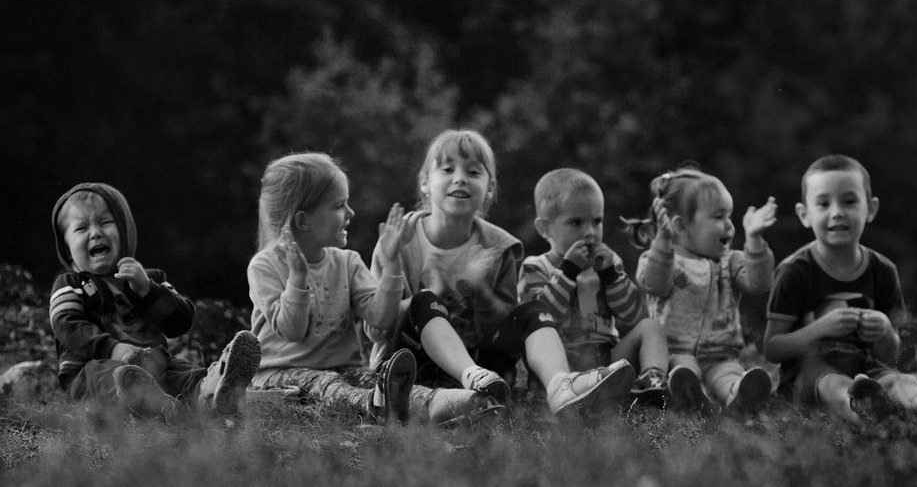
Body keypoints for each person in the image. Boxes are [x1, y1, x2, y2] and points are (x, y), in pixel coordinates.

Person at [367, 129, 635, 417]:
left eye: (473, 172)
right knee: (424, 298)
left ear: (490, 187)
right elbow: (377, 328)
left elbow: (505, 328)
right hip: (412, 360)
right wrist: (438, 287)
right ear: (424, 182)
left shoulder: (499, 247)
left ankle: (560, 385)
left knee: (532, 310)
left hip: (484, 367)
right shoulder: (399, 239)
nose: (460, 178)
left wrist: (481, 292)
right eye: (447, 169)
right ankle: (466, 383)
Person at [247, 152, 498, 427]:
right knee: (328, 385)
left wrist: (392, 262)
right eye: (339, 206)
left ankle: (445, 402)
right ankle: (375, 407)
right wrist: (297, 278)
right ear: (303, 221)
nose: (350, 213)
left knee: (376, 380)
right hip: (280, 374)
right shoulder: (265, 266)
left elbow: (381, 319)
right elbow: (292, 331)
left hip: (342, 369)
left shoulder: (347, 262)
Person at [763, 154, 917, 423]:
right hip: (809, 374)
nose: (837, 212)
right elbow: (773, 348)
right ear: (804, 214)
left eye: (849, 201)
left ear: (871, 209)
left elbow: (889, 356)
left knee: (902, 381)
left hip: (866, 367)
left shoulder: (882, 270)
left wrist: (885, 330)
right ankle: (867, 414)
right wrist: (821, 328)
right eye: (824, 203)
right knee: (833, 384)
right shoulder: (795, 271)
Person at [49, 183, 260, 419]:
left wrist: (147, 290)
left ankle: (212, 389)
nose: (96, 232)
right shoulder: (69, 284)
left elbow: (180, 322)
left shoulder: (147, 278)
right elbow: (66, 325)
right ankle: (154, 404)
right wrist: (113, 348)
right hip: (91, 370)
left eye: (106, 222)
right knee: (114, 375)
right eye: (81, 228)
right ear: (67, 249)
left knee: (183, 372)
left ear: (124, 232)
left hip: (155, 364)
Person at [626, 166, 777, 415]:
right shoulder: (662, 260)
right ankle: (694, 396)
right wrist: (662, 243)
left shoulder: (731, 262)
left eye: (729, 216)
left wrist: (755, 240)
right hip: (675, 351)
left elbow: (759, 283)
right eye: (718, 217)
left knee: (728, 374)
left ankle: (738, 395)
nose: (729, 225)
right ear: (680, 226)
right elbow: (654, 285)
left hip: (721, 355)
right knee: (683, 370)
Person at [519, 168, 671, 404]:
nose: (589, 233)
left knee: (651, 327)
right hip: (561, 363)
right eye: (576, 223)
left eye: (596, 221)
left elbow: (633, 315)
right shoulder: (536, 267)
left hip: (608, 357)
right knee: (544, 340)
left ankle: (651, 383)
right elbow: (538, 320)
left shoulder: (608, 263)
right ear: (544, 228)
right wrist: (568, 271)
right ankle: (572, 391)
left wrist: (611, 276)